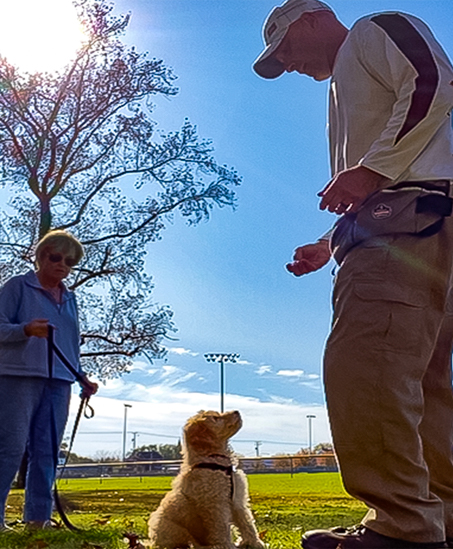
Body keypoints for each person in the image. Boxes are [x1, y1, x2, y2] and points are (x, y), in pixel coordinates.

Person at [254, 1, 453, 548]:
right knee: (425, 385)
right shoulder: (343, 85)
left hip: (403, 225)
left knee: (365, 367)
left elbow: (434, 80)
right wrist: (329, 241)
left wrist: (370, 172)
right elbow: (393, 170)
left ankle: (403, 527)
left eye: (285, 49)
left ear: (311, 18)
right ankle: (440, 520)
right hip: (419, 223)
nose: (287, 64)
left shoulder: (373, 29)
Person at [0, 230, 98, 530]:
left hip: (60, 382)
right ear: (40, 256)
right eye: (56, 257)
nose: (63, 265)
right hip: (18, 377)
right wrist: (25, 330)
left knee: (48, 452)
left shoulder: (70, 298)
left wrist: (80, 374)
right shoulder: (18, 286)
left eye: (70, 262)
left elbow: (71, 341)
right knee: (10, 448)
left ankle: (38, 520)